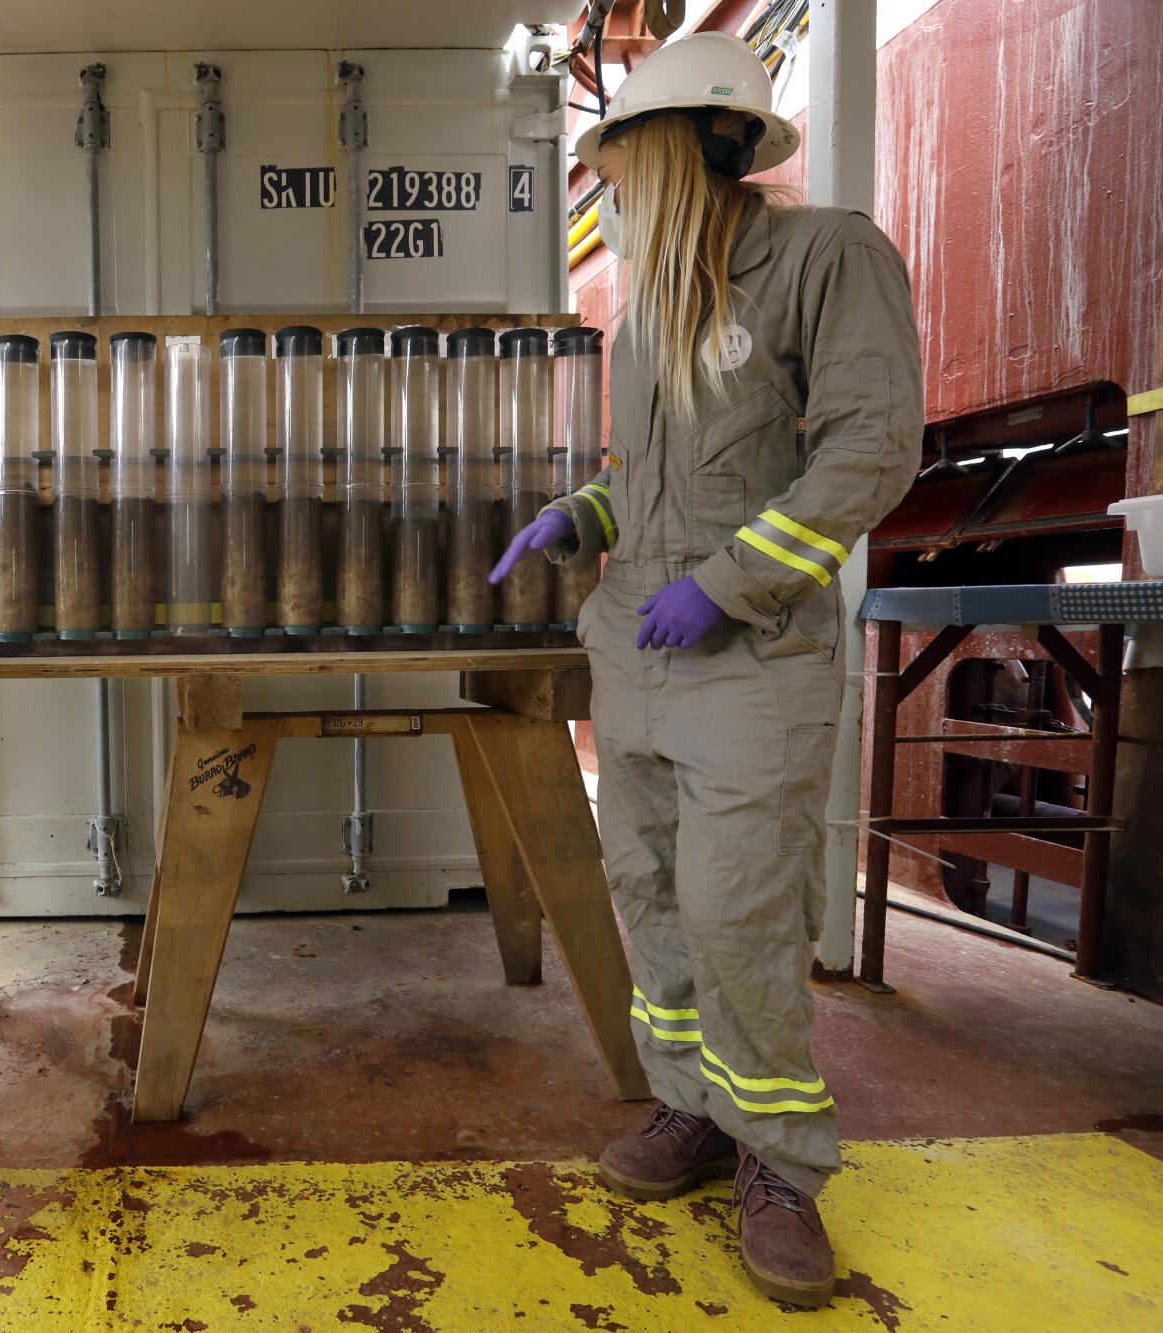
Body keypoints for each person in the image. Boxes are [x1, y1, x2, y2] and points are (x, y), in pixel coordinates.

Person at [490, 33, 920, 1307]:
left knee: (739, 912)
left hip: (751, 660)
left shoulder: (825, 258)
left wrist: (726, 585)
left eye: (613, 163)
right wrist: (587, 516)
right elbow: (661, 482)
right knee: (656, 898)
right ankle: (693, 1110)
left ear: (686, 148)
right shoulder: (650, 305)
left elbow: (868, 451)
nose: (605, 190)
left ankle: (781, 1162)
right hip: (637, 649)